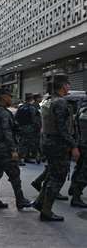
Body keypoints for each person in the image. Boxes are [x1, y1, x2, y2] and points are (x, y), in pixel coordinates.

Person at [33, 75, 80, 222]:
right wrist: (73, 146)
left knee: (51, 175)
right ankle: (46, 211)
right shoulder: (60, 102)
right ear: (63, 86)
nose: (69, 87)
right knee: (58, 177)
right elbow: (62, 128)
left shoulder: (47, 101)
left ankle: (40, 202)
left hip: (47, 141)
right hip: (57, 144)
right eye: (68, 85)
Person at [0, 88, 32, 210]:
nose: (11, 99)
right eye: (9, 96)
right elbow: (7, 132)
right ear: (3, 97)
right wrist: (13, 150)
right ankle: (20, 200)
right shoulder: (4, 113)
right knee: (14, 175)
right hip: (6, 148)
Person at [68, 97, 87, 208]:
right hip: (85, 144)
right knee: (84, 172)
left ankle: (73, 188)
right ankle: (76, 197)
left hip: (81, 143)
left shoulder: (81, 107)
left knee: (79, 168)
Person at [15, 93, 41, 164]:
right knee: (25, 144)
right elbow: (34, 119)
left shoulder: (21, 107)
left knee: (24, 143)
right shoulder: (31, 108)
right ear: (31, 99)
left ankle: (26, 158)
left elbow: (16, 117)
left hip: (21, 127)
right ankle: (19, 159)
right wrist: (38, 127)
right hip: (29, 128)